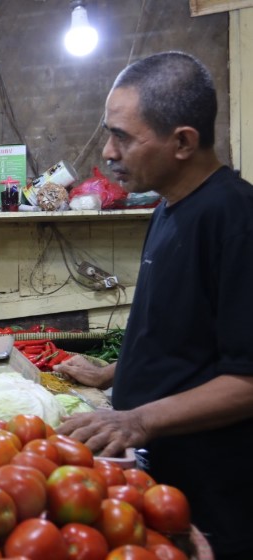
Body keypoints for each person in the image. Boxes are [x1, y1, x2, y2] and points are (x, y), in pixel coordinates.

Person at [54, 52, 253, 560]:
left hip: (212, 492)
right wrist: (114, 375)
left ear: (183, 141)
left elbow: (246, 381)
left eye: (123, 136)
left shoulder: (237, 220)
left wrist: (137, 420)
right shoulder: (168, 207)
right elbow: (185, 335)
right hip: (162, 476)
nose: (108, 151)